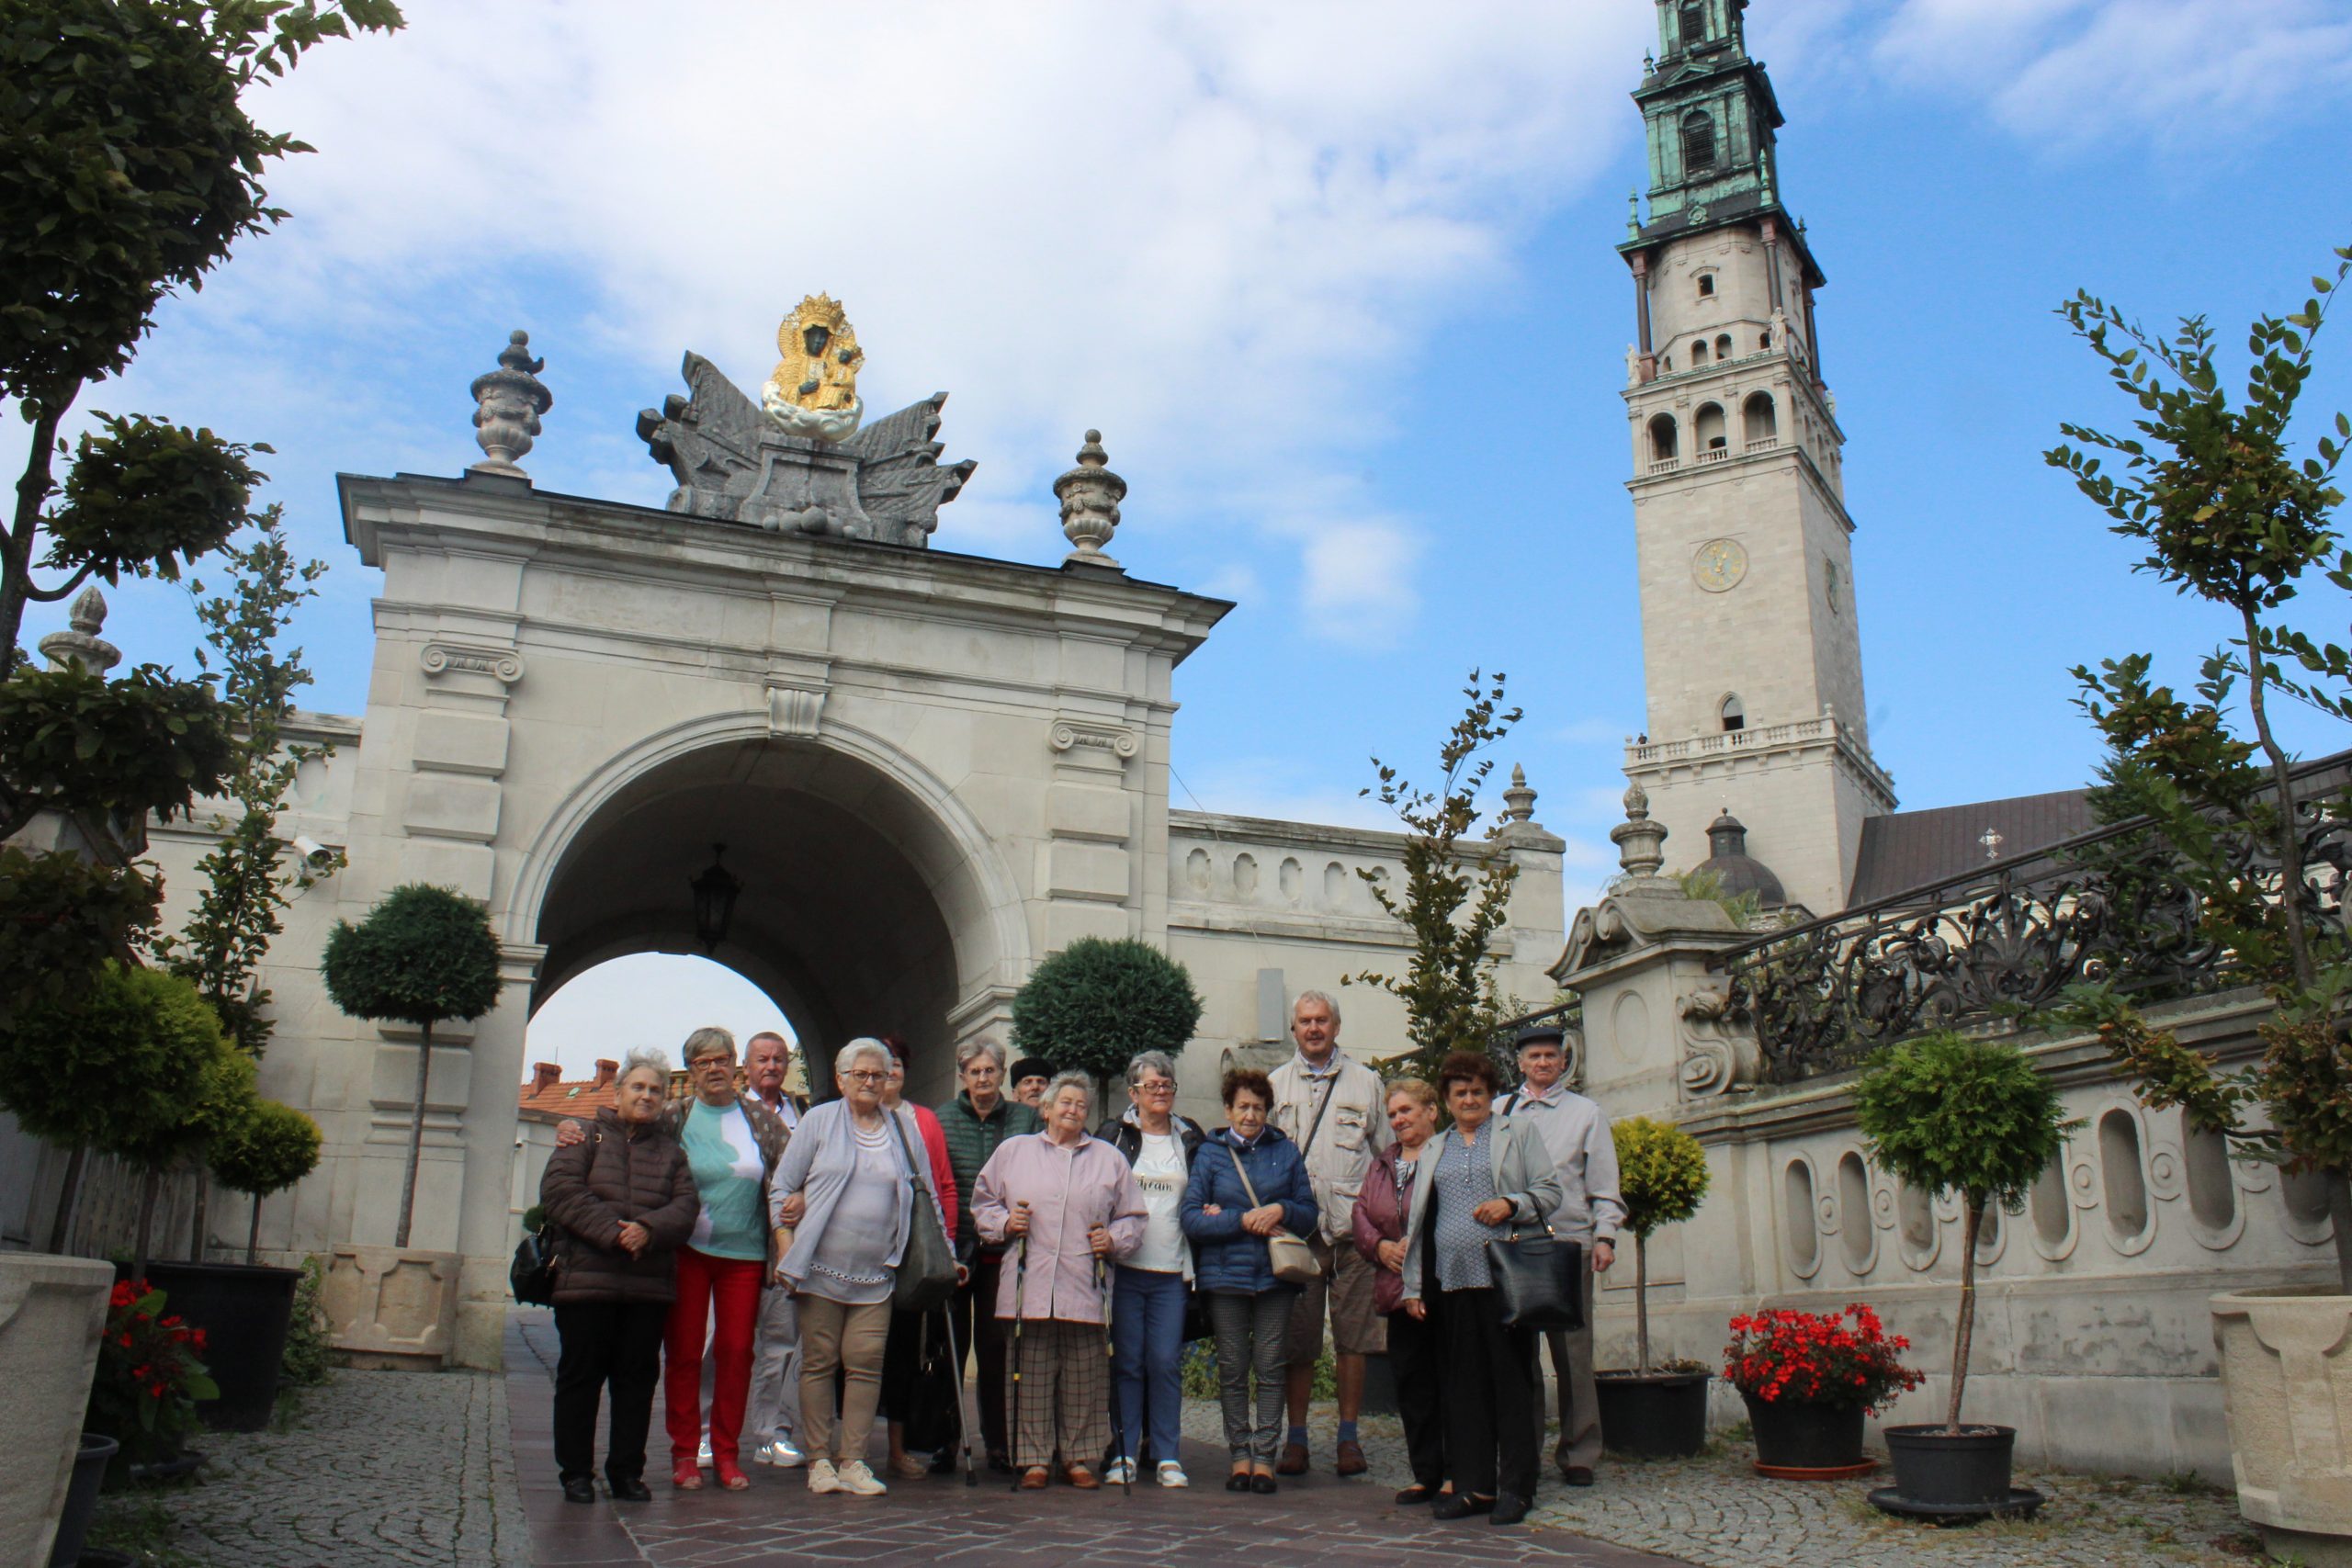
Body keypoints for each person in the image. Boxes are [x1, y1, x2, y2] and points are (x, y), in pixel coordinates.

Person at [1398, 1051, 1564, 1528]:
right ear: (1446, 1100)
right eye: (1459, 1093)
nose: (1469, 1099)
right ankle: (1475, 1487)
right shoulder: (1436, 1146)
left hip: (1505, 1279)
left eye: (1477, 1091)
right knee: (1463, 1388)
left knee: (1511, 1384)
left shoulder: (1517, 1133)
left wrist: (1511, 1204)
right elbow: (1420, 1221)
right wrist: (1414, 1286)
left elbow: (1550, 1191)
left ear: (1491, 1094)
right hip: (1451, 1282)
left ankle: (1517, 1487)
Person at [770, 1038, 936, 1497]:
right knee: (820, 1363)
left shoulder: (904, 1129)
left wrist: (943, 1254)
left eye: (877, 1074)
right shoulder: (819, 1121)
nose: (869, 1082)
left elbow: (927, 1198)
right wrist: (785, 1246)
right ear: (841, 1079)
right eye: (860, 1074)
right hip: (821, 1268)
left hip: (878, 1273)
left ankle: (854, 1461)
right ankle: (819, 1460)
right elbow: (781, 1188)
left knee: (866, 1365)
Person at [538, 1050, 699, 1506]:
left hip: (647, 1287)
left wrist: (648, 1230)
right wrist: (615, 1233)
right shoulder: (582, 1137)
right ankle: (576, 1472)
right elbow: (560, 1192)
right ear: (618, 1092)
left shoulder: (672, 1154)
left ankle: (627, 1471)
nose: (646, 1096)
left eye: (655, 1090)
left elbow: (686, 1207)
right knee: (580, 1379)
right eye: (638, 1087)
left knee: (636, 1383)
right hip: (587, 1282)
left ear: (664, 1101)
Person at [973, 1071, 1146, 1490]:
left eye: (1081, 1105)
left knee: (1084, 1376)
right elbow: (983, 1203)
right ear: (1046, 1109)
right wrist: (1005, 1222)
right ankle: (1033, 1459)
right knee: (1030, 1374)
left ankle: (1078, 1457)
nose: (1073, 1110)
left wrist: (1113, 1239)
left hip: (1085, 1283)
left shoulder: (1108, 1158)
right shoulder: (1014, 1151)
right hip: (1029, 1282)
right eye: (1065, 1102)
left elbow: (1133, 1217)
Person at [660, 1026, 792, 1491]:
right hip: (688, 1251)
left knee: (737, 1352)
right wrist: (577, 1130)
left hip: (745, 1253)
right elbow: (628, 1139)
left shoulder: (759, 1120)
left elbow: (793, 1170)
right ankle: (684, 1452)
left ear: (735, 1064)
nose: (714, 1069)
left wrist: (793, 1207)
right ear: (690, 1070)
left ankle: (727, 1452)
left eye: (722, 1060)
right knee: (685, 1352)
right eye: (703, 1062)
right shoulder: (675, 1117)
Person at [1265, 989, 1389, 1476]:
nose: (1314, 1028)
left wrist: (1382, 1222)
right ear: (1294, 1029)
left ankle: (1348, 1438)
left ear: (1336, 1027)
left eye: (1322, 1021)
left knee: (1353, 1340)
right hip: (1298, 1235)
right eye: (1305, 1021)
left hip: (1353, 1233)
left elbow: (1385, 1156)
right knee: (1298, 1342)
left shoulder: (1366, 1082)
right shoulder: (1276, 1084)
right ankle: (1296, 1439)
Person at [1497, 1021, 1623, 1485]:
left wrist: (1605, 1236)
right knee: (1519, 1356)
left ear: (1563, 1061)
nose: (1543, 1063)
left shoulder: (1586, 1113)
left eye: (1551, 1055)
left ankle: (1579, 1451)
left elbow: (1603, 1183)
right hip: (1513, 1244)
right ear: (1520, 1063)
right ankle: (1523, 1449)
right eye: (1534, 1056)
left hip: (1569, 1244)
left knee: (1573, 1355)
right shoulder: (1500, 1111)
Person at [1181, 1067, 1316, 1495]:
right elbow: (1191, 1218)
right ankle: (1239, 1455)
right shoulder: (1210, 1154)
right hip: (1225, 1277)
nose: (1251, 1115)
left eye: (1258, 1107)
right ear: (1228, 1110)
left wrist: (1281, 1211)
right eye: (1243, 1106)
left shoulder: (1286, 1151)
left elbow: (1309, 1213)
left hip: (1276, 1277)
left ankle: (1265, 1459)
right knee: (1233, 1368)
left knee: (1271, 1367)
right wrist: (1240, 1220)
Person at [1095, 1050, 1206, 1487]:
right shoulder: (1113, 1137)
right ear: (1133, 1092)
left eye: (1167, 1085)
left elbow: (1205, 1185)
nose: (1161, 1092)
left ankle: (1166, 1455)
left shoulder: (1189, 1136)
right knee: (1127, 1363)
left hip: (1171, 1270)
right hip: (1125, 1268)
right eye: (1152, 1085)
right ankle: (1123, 1452)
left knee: (1164, 1362)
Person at [937, 1039, 1038, 1473]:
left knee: (998, 1349)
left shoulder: (1025, 1118)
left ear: (1001, 1073)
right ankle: (945, 1439)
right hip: (955, 1248)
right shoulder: (941, 1119)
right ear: (963, 1075)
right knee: (951, 1346)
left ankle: (1000, 1442)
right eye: (975, 1071)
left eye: (990, 1070)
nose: (983, 1078)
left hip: (1004, 1248)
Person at [1351, 1077, 1446, 1506]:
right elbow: (1361, 1213)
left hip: (1442, 1286)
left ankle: (1458, 1471)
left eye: (1407, 1110)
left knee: (1449, 1380)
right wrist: (1380, 1246)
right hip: (1395, 1288)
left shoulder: (1447, 1154)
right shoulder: (1382, 1164)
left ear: (1432, 1111)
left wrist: (1420, 1249)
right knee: (1412, 1383)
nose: (1398, 1120)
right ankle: (1425, 1473)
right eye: (1392, 1114)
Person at [876, 1036, 963, 1479]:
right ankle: (843, 1445)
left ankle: (897, 1449)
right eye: (882, 1063)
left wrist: (944, 1248)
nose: (890, 1071)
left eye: (896, 1063)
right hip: (862, 1254)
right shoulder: (846, 1116)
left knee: (903, 1352)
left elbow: (942, 1185)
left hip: (910, 1257)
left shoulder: (923, 1119)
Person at [741, 1029, 807, 1468]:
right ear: (746, 1067)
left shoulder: (804, 1113)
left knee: (782, 1344)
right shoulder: (729, 1111)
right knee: (721, 1346)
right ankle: (707, 1434)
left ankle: (773, 1433)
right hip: (735, 1244)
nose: (771, 1066)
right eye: (762, 1059)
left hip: (786, 1248)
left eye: (779, 1059)